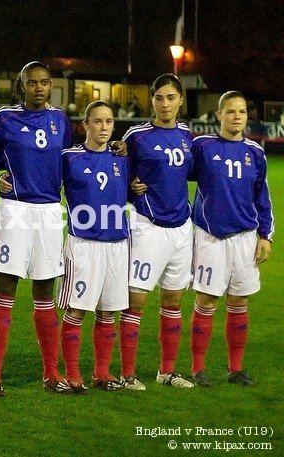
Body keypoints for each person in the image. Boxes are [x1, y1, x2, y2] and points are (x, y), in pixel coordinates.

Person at [0, 61, 73, 396]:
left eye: (44, 83)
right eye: (31, 83)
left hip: (49, 211)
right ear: (21, 86)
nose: (38, 88)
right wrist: (2, 174)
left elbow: (72, 157)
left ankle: (51, 373)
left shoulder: (60, 120)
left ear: (51, 85)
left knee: (45, 294)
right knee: (5, 290)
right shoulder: (5, 117)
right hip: (16, 210)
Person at [189, 91, 273, 387]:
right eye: (231, 112)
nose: (237, 117)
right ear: (219, 116)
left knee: (239, 301)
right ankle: (198, 368)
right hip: (211, 236)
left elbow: (262, 197)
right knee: (207, 300)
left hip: (245, 238)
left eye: (242, 112)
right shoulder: (202, 146)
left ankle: (235, 368)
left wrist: (266, 235)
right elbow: (175, 173)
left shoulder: (255, 152)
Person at [121, 73, 194, 390]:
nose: (165, 104)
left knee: (174, 301)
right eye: (159, 98)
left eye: (170, 97)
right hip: (147, 226)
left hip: (181, 229)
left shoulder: (187, 136)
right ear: (152, 100)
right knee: (135, 301)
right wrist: (129, 187)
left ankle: (167, 372)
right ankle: (126, 375)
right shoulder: (136, 137)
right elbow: (114, 175)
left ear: (180, 100)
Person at [57, 101, 128, 393]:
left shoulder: (122, 158)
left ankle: (102, 373)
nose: (103, 127)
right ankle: (73, 374)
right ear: (85, 125)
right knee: (77, 310)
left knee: (108, 312)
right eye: (97, 122)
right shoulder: (69, 158)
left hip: (117, 243)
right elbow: (44, 184)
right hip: (83, 245)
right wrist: (7, 183)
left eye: (109, 122)